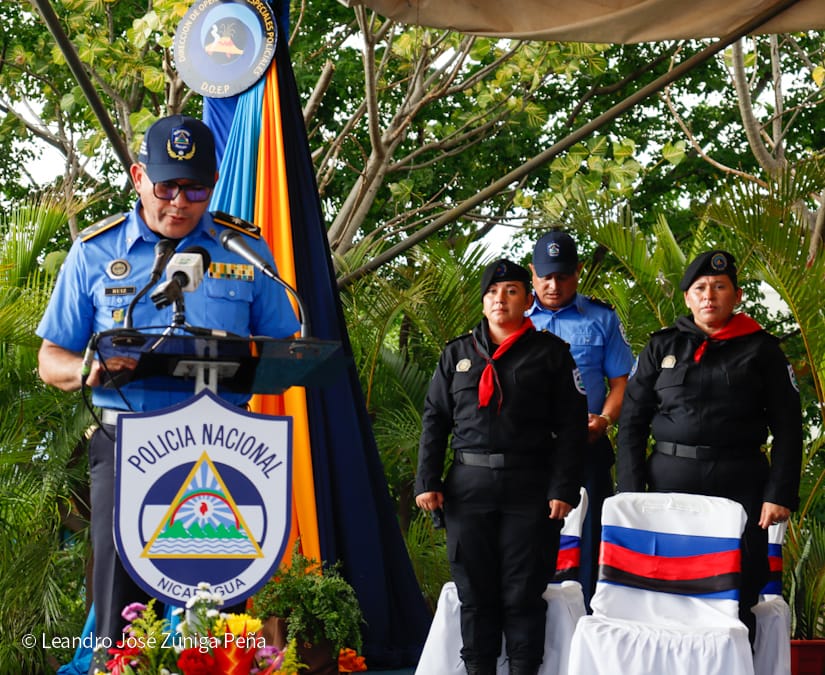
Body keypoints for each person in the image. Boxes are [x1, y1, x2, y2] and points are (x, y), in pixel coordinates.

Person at [35, 114, 300, 673]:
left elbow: (284, 343)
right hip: (128, 446)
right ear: (138, 177)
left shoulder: (245, 250)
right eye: (167, 186)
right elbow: (50, 359)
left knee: (218, 619)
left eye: (196, 188)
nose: (180, 202)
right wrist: (91, 367)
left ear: (213, 184)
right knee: (120, 616)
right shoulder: (93, 251)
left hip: (223, 452)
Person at [616, 249, 802, 642]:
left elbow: (788, 426)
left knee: (736, 595)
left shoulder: (762, 349)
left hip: (740, 485)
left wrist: (779, 493)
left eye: (720, 287)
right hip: (669, 484)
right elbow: (632, 421)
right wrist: (631, 492)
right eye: (700, 287)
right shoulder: (661, 348)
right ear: (686, 297)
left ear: (736, 296)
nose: (709, 295)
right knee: (666, 590)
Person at [415, 259, 588, 675]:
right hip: (467, 487)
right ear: (482, 302)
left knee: (522, 594)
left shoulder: (551, 354)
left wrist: (563, 488)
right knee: (475, 594)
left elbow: (570, 427)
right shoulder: (457, 354)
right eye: (492, 293)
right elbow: (435, 419)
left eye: (510, 291)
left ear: (528, 300)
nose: (500, 299)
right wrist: (428, 480)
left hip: (529, 487)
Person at [527, 230, 634, 607]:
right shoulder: (514, 321)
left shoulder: (601, 318)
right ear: (532, 273)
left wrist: (605, 419)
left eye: (563, 275)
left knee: (589, 542)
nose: (553, 285)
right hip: (527, 454)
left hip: (585, 449)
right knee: (527, 541)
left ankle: (587, 625)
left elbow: (622, 382)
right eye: (545, 276)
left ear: (578, 272)